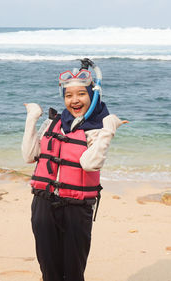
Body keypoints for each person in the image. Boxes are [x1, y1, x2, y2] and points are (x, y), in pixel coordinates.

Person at [22, 61, 128, 281]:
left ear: (93, 95)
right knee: (48, 271)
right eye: (68, 95)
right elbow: (29, 156)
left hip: (76, 209)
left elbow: (90, 163)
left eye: (81, 94)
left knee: (73, 272)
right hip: (43, 204)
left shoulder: (97, 129)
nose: (75, 100)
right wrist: (32, 119)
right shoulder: (54, 123)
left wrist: (109, 129)